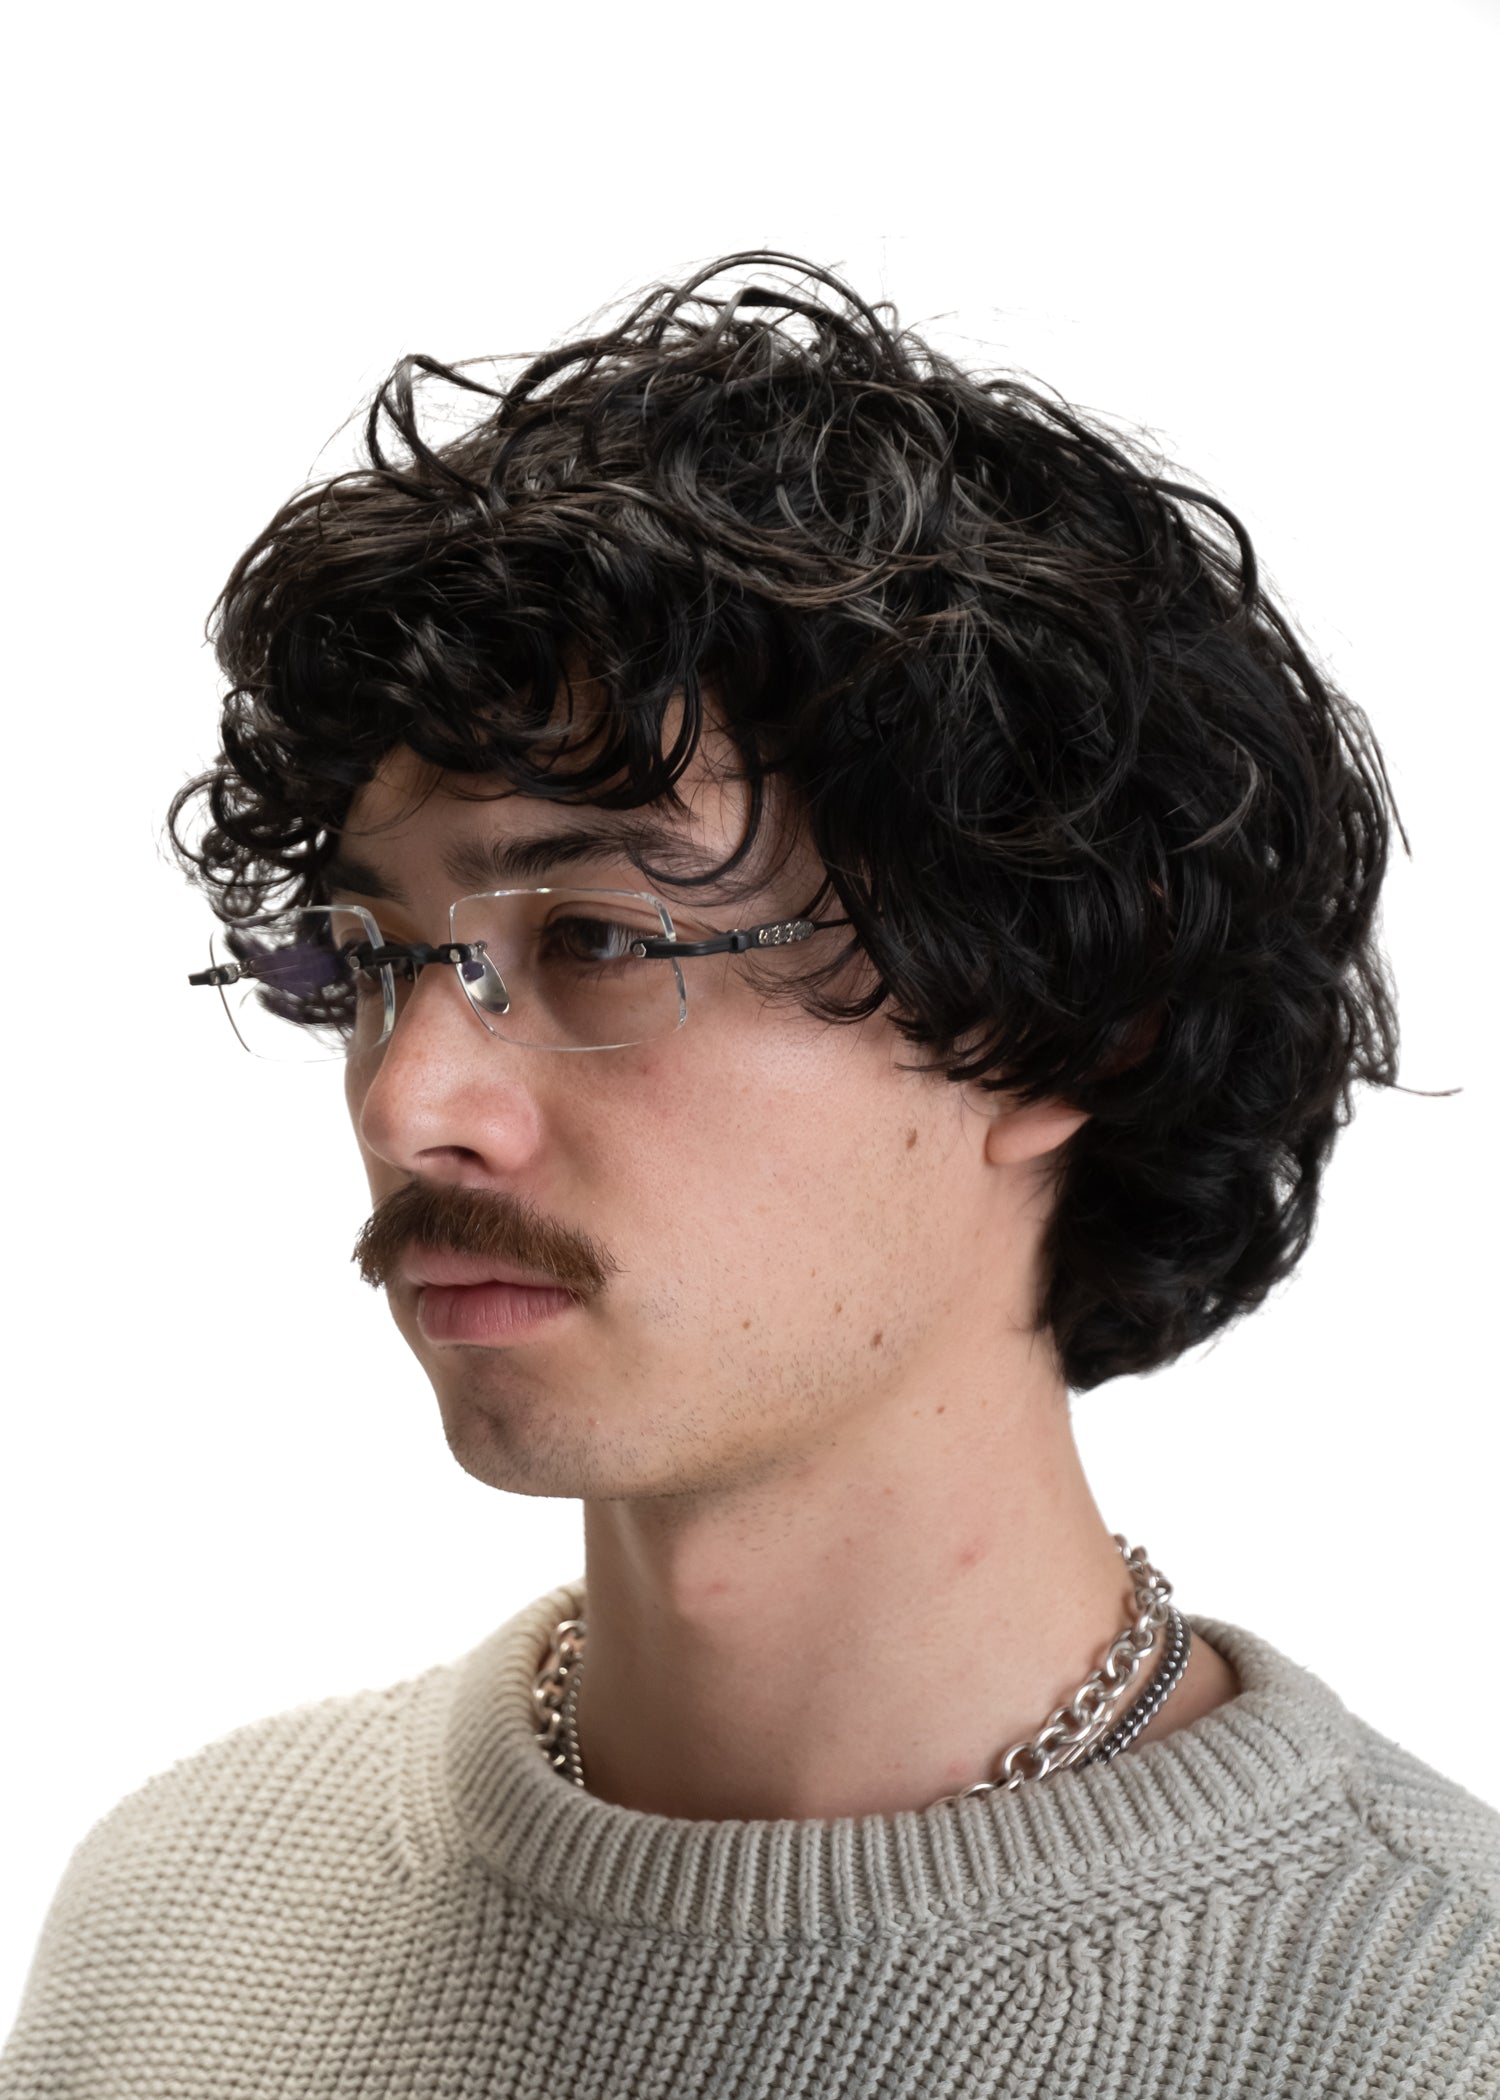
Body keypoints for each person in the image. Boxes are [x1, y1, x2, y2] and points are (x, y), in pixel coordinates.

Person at [4, 250, 1497, 2099]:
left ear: (1058, 1028)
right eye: (377, 963)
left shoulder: (1427, 2025)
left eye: (599, 942)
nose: (410, 1100)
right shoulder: (177, 1931)